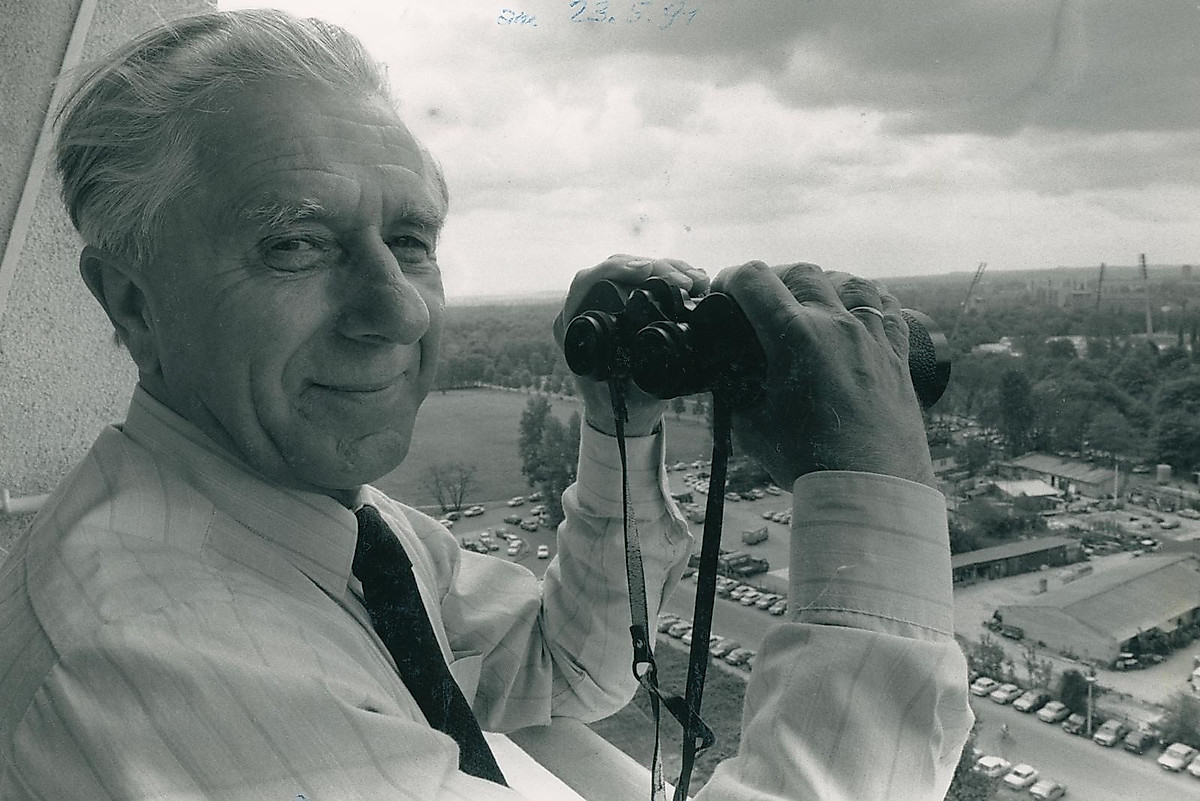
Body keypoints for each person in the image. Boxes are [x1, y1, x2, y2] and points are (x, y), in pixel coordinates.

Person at [0, 9, 972, 800]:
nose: (396, 307)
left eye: (412, 240)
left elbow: (563, 667)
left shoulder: (328, 525)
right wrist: (872, 498)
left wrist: (618, 421)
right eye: (296, 242)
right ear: (131, 298)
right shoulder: (158, 659)